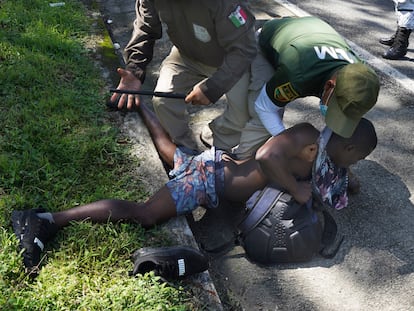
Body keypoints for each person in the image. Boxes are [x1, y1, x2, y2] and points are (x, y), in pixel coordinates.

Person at [11, 99, 377, 275]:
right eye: (357, 157)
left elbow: (337, 182)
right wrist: (298, 191)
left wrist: (343, 185)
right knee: (147, 214)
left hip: (217, 178)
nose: (355, 165)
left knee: (172, 152)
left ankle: (138, 100)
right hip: (209, 180)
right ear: (345, 146)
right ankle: (45, 219)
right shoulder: (307, 138)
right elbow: (266, 156)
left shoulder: (328, 162)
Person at [229, 16, 380, 194]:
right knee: (260, 121)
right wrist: (293, 146)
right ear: (329, 87)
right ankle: (240, 168)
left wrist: (336, 160)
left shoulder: (362, 81)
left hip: (310, 36)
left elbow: (345, 124)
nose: (335, 115)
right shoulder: (298, 73)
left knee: (344, 128)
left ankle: (338, 165)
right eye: (335, 108)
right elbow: (264, 107)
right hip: (269, 45)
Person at [109, 0, 257, 152]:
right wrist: (134, 70)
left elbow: (245, 50)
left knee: (243, 116)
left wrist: (212, 87)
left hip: (229, 62)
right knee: (163, 101)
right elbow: (145, 27)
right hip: (185, 56)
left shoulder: (226, 3)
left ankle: (217, 138)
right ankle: (186, 149)